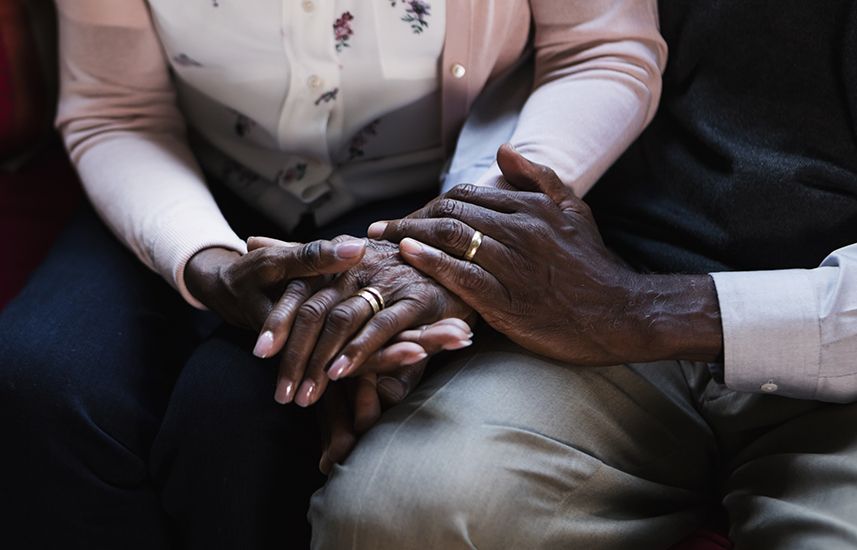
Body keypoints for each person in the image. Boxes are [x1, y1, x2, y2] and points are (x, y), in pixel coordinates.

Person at [0, 1, 666, 548]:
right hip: (184, 179)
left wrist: (463, 233)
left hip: (446, 186)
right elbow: (120, 110)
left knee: (244, 412)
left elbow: (597, 52)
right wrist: (203, 259)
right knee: (42, 381)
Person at [308, 1, 857, 548]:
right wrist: (443, 266)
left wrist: (637, 311)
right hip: (584, 300)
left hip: (830, 362)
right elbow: (574, 51)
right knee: (393, 516)